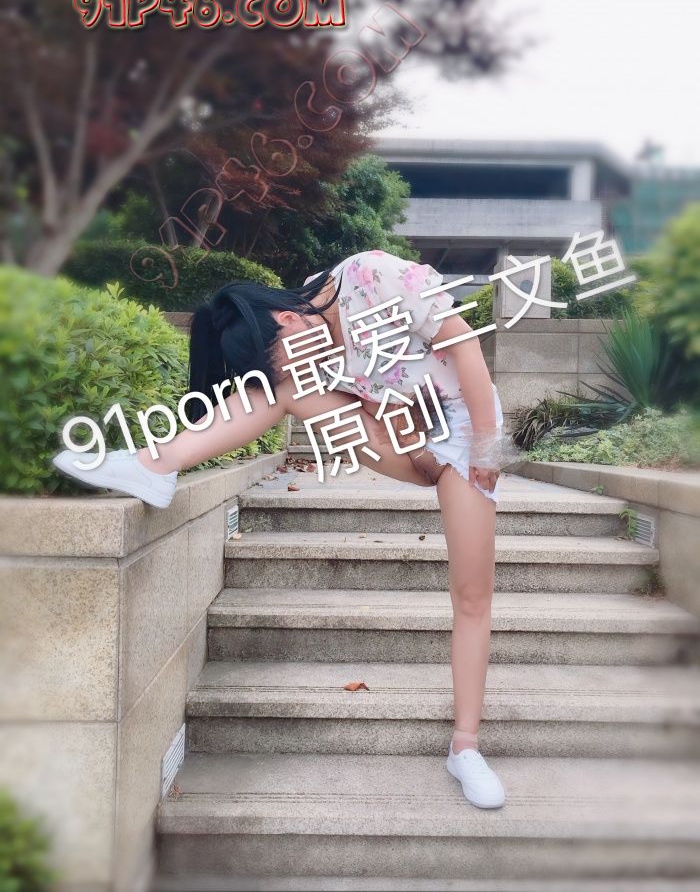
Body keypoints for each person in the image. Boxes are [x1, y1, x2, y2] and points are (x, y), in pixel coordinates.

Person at [54, 248, 521, 809]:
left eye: (282, 356)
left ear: (287, 319)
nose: (295, 367)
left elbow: (464, 343)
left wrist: (488, 446)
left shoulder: (372, 276)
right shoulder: (297, 338)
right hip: (399, 439)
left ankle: (465, 748)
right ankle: (156, 464)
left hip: (467, 434)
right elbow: (315, 390)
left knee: (471, 595)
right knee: (282, 392)